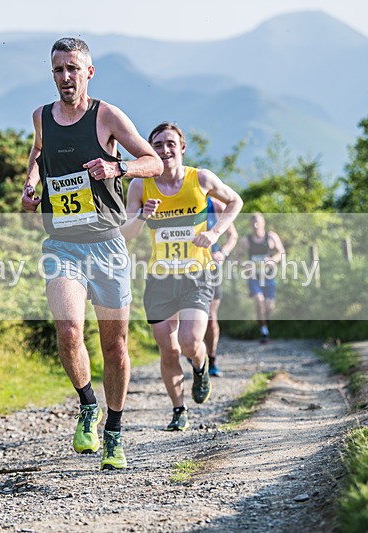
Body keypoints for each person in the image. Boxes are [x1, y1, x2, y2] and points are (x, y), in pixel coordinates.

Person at [21, 37, 162, 470]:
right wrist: (30, 184)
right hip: (61, 244)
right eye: (58, 70)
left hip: (106, 244)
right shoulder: (42, 116)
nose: (66, 77)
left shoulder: (108, 116)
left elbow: (152, 161)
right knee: (68, 332)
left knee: (115, 346)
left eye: (73, 69)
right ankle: (87, 404)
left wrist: (117, 167)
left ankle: (114, 433)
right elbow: (38, 152)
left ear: (89, 72)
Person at [121, 122, 242, 431]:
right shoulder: (140, 186)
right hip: (160, 279)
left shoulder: (199, 178)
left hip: (197, 275)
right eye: (158, 144)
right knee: (169, 349)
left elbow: (235, 201)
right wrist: (142, 216)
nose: (165, 149)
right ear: (151, 150)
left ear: (182, 148)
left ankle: (200, 365)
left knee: (189, 342)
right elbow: (127, 234)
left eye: (170, 143)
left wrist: (215, 233)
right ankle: (178, 409)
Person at [235, 213, 285, 343]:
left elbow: (281, 252)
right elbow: (237, 258)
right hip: (254, 276)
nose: (256, 225)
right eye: (253, 223)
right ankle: (263, 331)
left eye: (258, 222)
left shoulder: (271, 237)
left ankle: (264, 323)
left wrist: (273, 259)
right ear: (251, 225)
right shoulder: (246, 240)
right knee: (259, 300)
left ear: (264, 223)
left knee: (269, 306)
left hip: (268, 275)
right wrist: (245, 265)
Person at [203, 197, 238, 377]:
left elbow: (233, 235)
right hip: (182, 268)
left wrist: (222, 252)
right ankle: (192, 350)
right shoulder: (178, 200)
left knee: (210, 317)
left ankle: (212, 359)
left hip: (210, 267)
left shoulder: (215, 205)